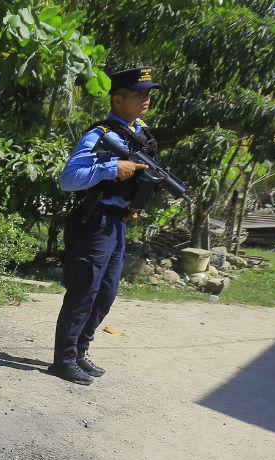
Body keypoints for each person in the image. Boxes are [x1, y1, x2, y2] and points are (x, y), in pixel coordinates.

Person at [51, 65, 161, 385]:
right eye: (139, 94)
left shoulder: (139, 131)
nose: (146, 99)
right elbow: (69, 179)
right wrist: (112, 167)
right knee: (84, 290)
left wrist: (133, 203)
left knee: (106, 293)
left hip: (116, 223)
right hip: (93, 223)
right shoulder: (99, 135)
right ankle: (64, 359)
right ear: (117, 99)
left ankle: (80, 351)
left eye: (148, 94)